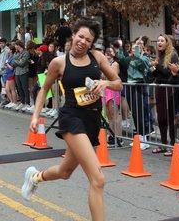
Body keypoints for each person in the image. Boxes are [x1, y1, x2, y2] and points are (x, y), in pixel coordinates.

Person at [21, 18, 122, 221]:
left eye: (88, 40)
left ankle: (35, 177)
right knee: (98, 179)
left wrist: (105, 84)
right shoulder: (59, 62)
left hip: (92, 120)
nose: (83, 41)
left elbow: (118, 83)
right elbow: (44, 89)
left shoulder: (97, 57)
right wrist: (35, 116)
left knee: (65, 171)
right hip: (71, 118)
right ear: (73, 35)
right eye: (80, 36)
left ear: (91, 44)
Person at [150, 34, 179, 155]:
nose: (159, 42)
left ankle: (173, 145)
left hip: (169, 88)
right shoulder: (159, 56)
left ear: (167, 43)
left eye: (162, 40)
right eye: (158, 40)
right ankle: (163, 144)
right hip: (159, 88)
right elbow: (157, 74)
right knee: (161, 117)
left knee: (171, 117)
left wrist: (157, 66)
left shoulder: (173, 55)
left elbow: (170, 73)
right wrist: (152, 69)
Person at [102, 47, 122, 146]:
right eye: (106, 52)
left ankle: (118, 137)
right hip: (105, 91)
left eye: (110, 52)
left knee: (115, 114)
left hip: (112, 90)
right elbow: (102, 76)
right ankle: (111, 135)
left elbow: (112, 76)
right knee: (109, 116)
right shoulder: (104, 64)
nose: (108, 54)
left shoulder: (115, 64)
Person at [13, 41, 31, 110]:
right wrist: (18, 60)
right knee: (19, 88)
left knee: (25, 88)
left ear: (19, 45)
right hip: (17, 72)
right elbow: (13, 61)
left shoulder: (26, 53)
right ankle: (22, 102)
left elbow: (22, 63)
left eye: (15, 45)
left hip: (24, 72)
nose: (15, 47)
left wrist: (16, 61)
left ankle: (27, 103)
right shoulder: (16, 53)